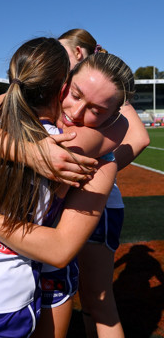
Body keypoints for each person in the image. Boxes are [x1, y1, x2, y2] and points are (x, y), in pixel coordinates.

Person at [0, 45, 133, 338]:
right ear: (63, 84)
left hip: (25, 269)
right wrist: (30, 153)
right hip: (3, 274)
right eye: (76, 95)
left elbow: (59, 250)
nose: (77, 112)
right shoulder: (19, 109)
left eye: (96, 110)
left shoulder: (97, 161)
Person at [59, 29, 150, 338]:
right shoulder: (68, 87)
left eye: (62, 52)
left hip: (98, 204)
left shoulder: (103, 84)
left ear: (80, 54)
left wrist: (93, 170)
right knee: (85, 299)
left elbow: (140, 137)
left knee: (98, 300)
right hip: (72, 203)